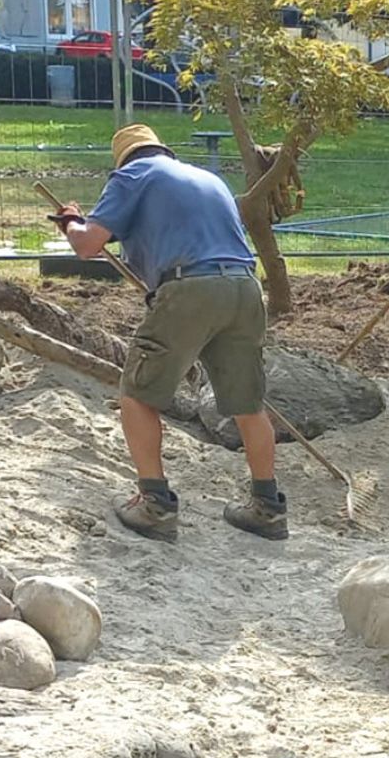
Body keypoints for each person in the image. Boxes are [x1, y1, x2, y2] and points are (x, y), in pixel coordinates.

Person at [52, 123, 286, 543]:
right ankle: (267, 508)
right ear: (164, 149)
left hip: (190, 288)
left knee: (137, 395)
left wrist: (71, 222)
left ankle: (155, 504)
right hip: (245, 287)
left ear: (124, 159)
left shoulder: (132, 176)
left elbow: (88, 245)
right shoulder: (206, 179)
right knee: (249, 404)